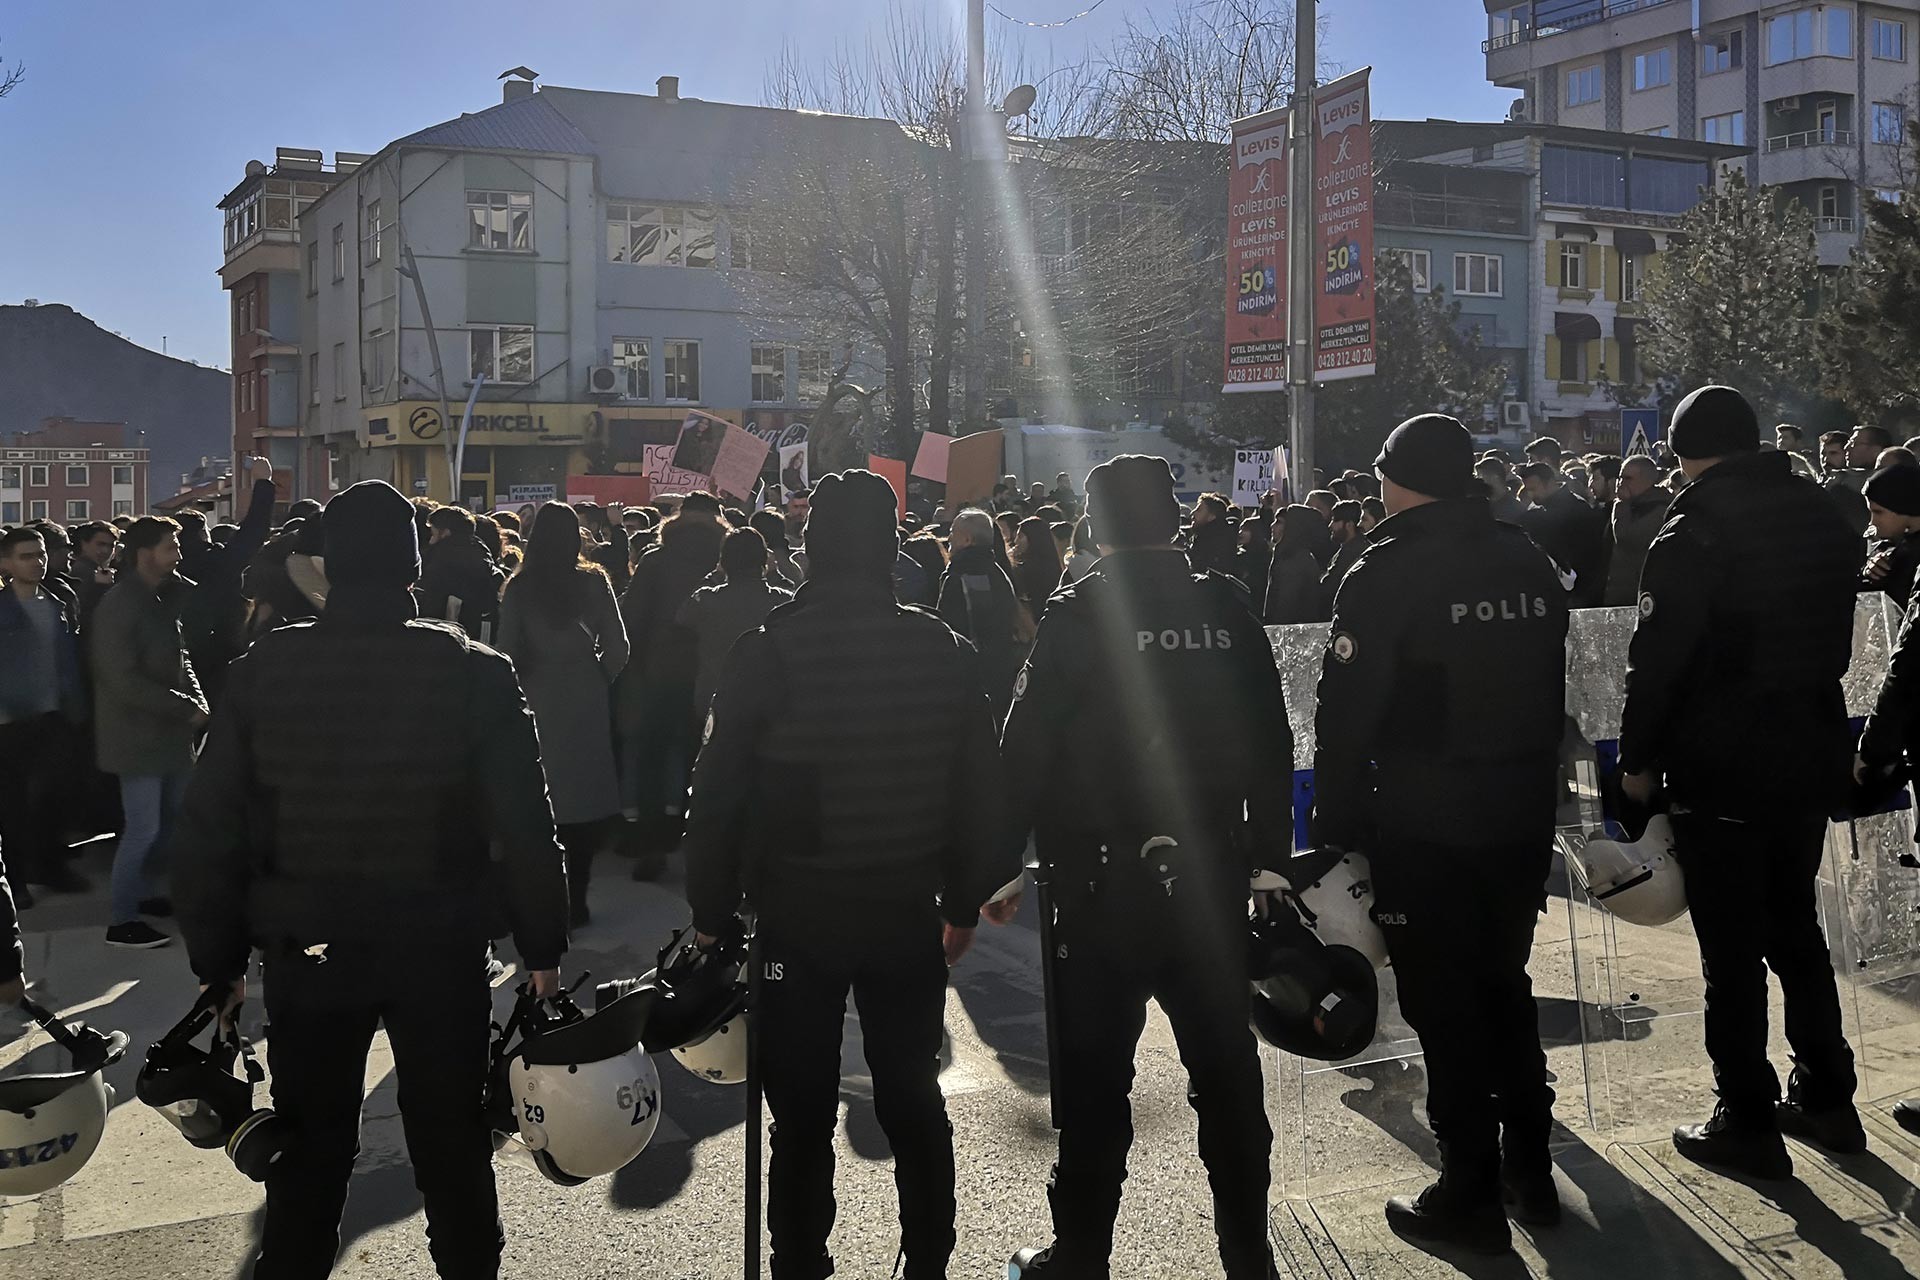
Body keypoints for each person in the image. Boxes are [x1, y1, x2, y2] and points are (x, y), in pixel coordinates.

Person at [171, 479, 568, 1280]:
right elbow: (527, 823)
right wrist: (542, 946)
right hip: (439, 937)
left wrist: (218, 964)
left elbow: (208, 826)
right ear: (413, 567)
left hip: (306, 941)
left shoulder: (263, 670)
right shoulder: (474, 670)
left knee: (311, 1153)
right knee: (453, 1146)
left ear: (326, 565)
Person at [684, 469, 1017, 1280]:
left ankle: (801, 1261)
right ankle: (929, 1261)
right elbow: (982, 788)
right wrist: (968, 899)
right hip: (906, 904)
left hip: (798, 909)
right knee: (913, 1096)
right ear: (891, 551)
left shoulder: (767, 649)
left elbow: (717, 790)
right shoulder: (942, 648)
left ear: (809, 548)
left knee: (797, 1112)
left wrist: (710, 909)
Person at [1001, 455, 1291, 1280]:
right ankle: (1249, 1255)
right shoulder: (1224, 608)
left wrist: (993, 866)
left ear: (1094, 529)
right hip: (1210, 877)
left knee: (1095, 1083)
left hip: (1099, 889)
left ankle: (1081, 1256)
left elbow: (1024, 752)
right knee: (1227, 1077)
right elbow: (1272, 741)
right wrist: (1269, 862)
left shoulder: (1079, 613)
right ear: (1174, 523)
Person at [1312, 415, 1568, 1253]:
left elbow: (1347, 716)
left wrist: (1335, 825)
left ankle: (1468, 1191)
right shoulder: (1523, 556)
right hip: (1521, 809)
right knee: (1505, 985)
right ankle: (1532, 1167)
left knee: (1445, 1006)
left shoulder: (1387, 570)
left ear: (1396, 479)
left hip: (1428, 819)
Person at [1618, 386, 1864, 1180]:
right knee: (1796, 928)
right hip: (1808, 743)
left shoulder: (1695, 527)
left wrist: (1637, 760)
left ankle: (1746, 1117)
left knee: (1731, 951)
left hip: (1723, 758)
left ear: (1687, 451)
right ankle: (1827, 1097)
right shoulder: (1822, 512)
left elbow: (1658, 661)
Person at [498, 503, 629, 928]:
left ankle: (543, 894)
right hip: (586, 695)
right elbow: (620, 648)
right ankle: (579, 896)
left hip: (537, 694)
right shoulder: (594, 582)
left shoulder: (519, 587)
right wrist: (597, 678)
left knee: (542, 795)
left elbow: (507, 650)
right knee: (583, 798)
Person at [92, 516, 209, 949]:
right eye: (170, 548)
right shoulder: (121, 604)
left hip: (171, 733)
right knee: (142, 828)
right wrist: (184, 708)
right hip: (136, 735)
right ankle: (122, 921)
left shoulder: (162, 599)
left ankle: (148, 895)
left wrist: (198, 702)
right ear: (145, 555)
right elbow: (120, 678)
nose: (178, 556)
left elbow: (183, 658)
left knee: (171, 824)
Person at [617, 500, 726, 867]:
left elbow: (632, 618)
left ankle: (651, 840)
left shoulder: (655, 560)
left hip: (658, 671)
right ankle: (696, 835)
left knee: (653, 753)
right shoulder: (722, 558)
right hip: (711, 671)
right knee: (703, 756)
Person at [0, 527, 89, 899]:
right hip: (10, 721)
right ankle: (16, 880)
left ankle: (52, 868)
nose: (37, 562)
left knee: (55, 797)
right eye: (26, 556)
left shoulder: (57, 601)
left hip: (55, 714)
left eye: (40, 554)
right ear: (6, 564)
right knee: (13, 806)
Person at [176, 458, 279, 708]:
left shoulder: (163, 567)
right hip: (220, 653)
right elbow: (252, 533)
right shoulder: (216, 564)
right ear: (203, 533)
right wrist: (263, 483)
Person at [679, 527, 792, 708]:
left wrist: (714, 576)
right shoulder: (782, 600)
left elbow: (681, 630)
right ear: (764, 560)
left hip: (713, 694)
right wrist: (775, 575)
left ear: (724, 561)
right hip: (769, 697)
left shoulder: (704, 599)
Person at [938, 508, 1025, 723]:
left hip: (973, 677)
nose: (948, 537)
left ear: (967, 539)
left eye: (953, 531)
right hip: (999, 672)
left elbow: (955, 628)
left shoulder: (965, 575)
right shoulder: (997, 573)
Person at [1518, 462, 1606, 607]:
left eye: (1534, 489)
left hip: (1576, 593)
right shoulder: (1538, 512)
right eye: (1528, 490)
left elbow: (1589, 557)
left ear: (1550, 482)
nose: (1531, 494)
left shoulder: (1577, 510)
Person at [417, 505, 506, 642]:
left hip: (445, 644)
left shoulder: (438, 565)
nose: (430, 541)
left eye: (434, 534)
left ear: (445, 533)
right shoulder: (487, 564)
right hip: (481, 643)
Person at [1603, 455, 1672, 607]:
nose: (1620, 483)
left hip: (1640, 597)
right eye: (1620, 477)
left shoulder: (1660, 509)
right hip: (1619, 595)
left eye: (1627, 478)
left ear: (1646, 480)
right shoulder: (1632, 506)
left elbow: (1625, 538)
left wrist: (1622, 503)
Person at [1860, 464, 1920, 600]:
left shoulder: (1909, 554)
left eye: (1878, 512)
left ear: (1904, 507)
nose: (1872, 522)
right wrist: (1868, 571)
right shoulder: (1889, 549)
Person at [1263, 505, 1327, 625]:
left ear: (1293, 528)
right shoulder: (1288, 555)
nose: (1272, 526)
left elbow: (1285, 606)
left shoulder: (1295, 560)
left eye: (1279, 522)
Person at [1823, 425, 1889, 538]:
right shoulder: (1840, 478)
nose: (1847, 448)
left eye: (1854, 443)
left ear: (1875, 450)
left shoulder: (1888, 485)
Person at [1011, 515, 1067, 623]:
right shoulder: (1054, 564)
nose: (1016, 541)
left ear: (1034, 538)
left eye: (1020, 536)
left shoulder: (1027, 569)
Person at [70, 520, 118, 629]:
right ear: (84, 544)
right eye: (100, 544)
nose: (106, 550)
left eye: (111, 546)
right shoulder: (83, 572)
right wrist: (102, 587)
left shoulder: (94, 570)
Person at [1321, 499, 1366, 611]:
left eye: (1335, 520)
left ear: (1349, 525)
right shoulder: (1346, 549)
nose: (1330, 525)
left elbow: (1330, 587)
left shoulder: (1354, 552)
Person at [1185, 493, 1238, 577]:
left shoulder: (1218, 542)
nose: (1192, 513)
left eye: (1199, 510)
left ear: (1212, 516)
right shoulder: (1201, 537)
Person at [1477, 457, 1525, 524]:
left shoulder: (1515, 508)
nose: (1479, 483)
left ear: (1495, 477)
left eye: (1482, 478)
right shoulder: (1480, 505)